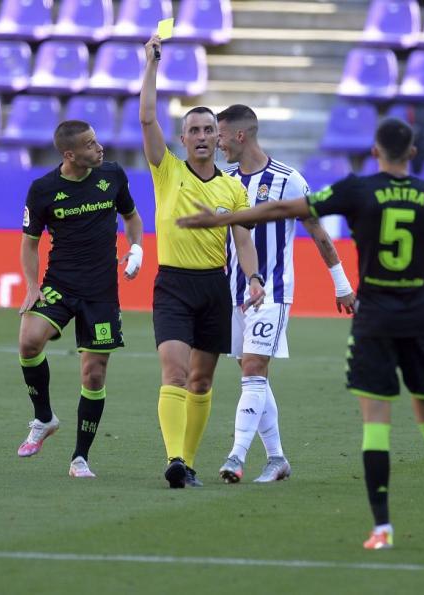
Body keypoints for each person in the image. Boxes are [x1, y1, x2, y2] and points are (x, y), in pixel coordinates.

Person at [177, 118, 424, 551]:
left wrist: (226, 217)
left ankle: (382, 529)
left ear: (374, 151)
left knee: (376, 424)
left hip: (373, 323)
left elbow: (284, 210)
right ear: (411, 154)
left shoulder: (356, 190)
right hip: (419, 320)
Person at [140, 35, 264, 489]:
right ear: (183, 138)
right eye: (192, 130)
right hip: (172, 285)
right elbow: (147, 116)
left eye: (207, 130)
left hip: (215, 287)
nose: (200, 137)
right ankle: (174, 458)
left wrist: (253, 277)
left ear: (218, 137)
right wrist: (151, 66)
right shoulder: (166, 170)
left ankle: (187, 463)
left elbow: (243, 238)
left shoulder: (233, 189)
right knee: (173, 371)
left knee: (201, 380)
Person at [213, 104, 355, 484]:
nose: (217, 144)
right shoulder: (224, 180)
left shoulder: (288, 180)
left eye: (221, 136)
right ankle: (277, 458)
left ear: (240, 136)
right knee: (250, 373)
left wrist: (341, 283)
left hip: (273, 292)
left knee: (255, 370)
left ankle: (235, 456)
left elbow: (318, 232)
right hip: (233, 294)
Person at [17, 120, 144, 478]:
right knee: (28, 340)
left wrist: (137, 249)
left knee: (93, 374)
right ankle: (44, 418)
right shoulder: (43, 189)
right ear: (69, 154)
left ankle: (80, 458)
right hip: (59, 283)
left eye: (96, 139)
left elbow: (132, 218)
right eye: (89, 144)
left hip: (101, 291)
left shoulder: (113, 175)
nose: (99, 147)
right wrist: (31, 285)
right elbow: (29, 242)